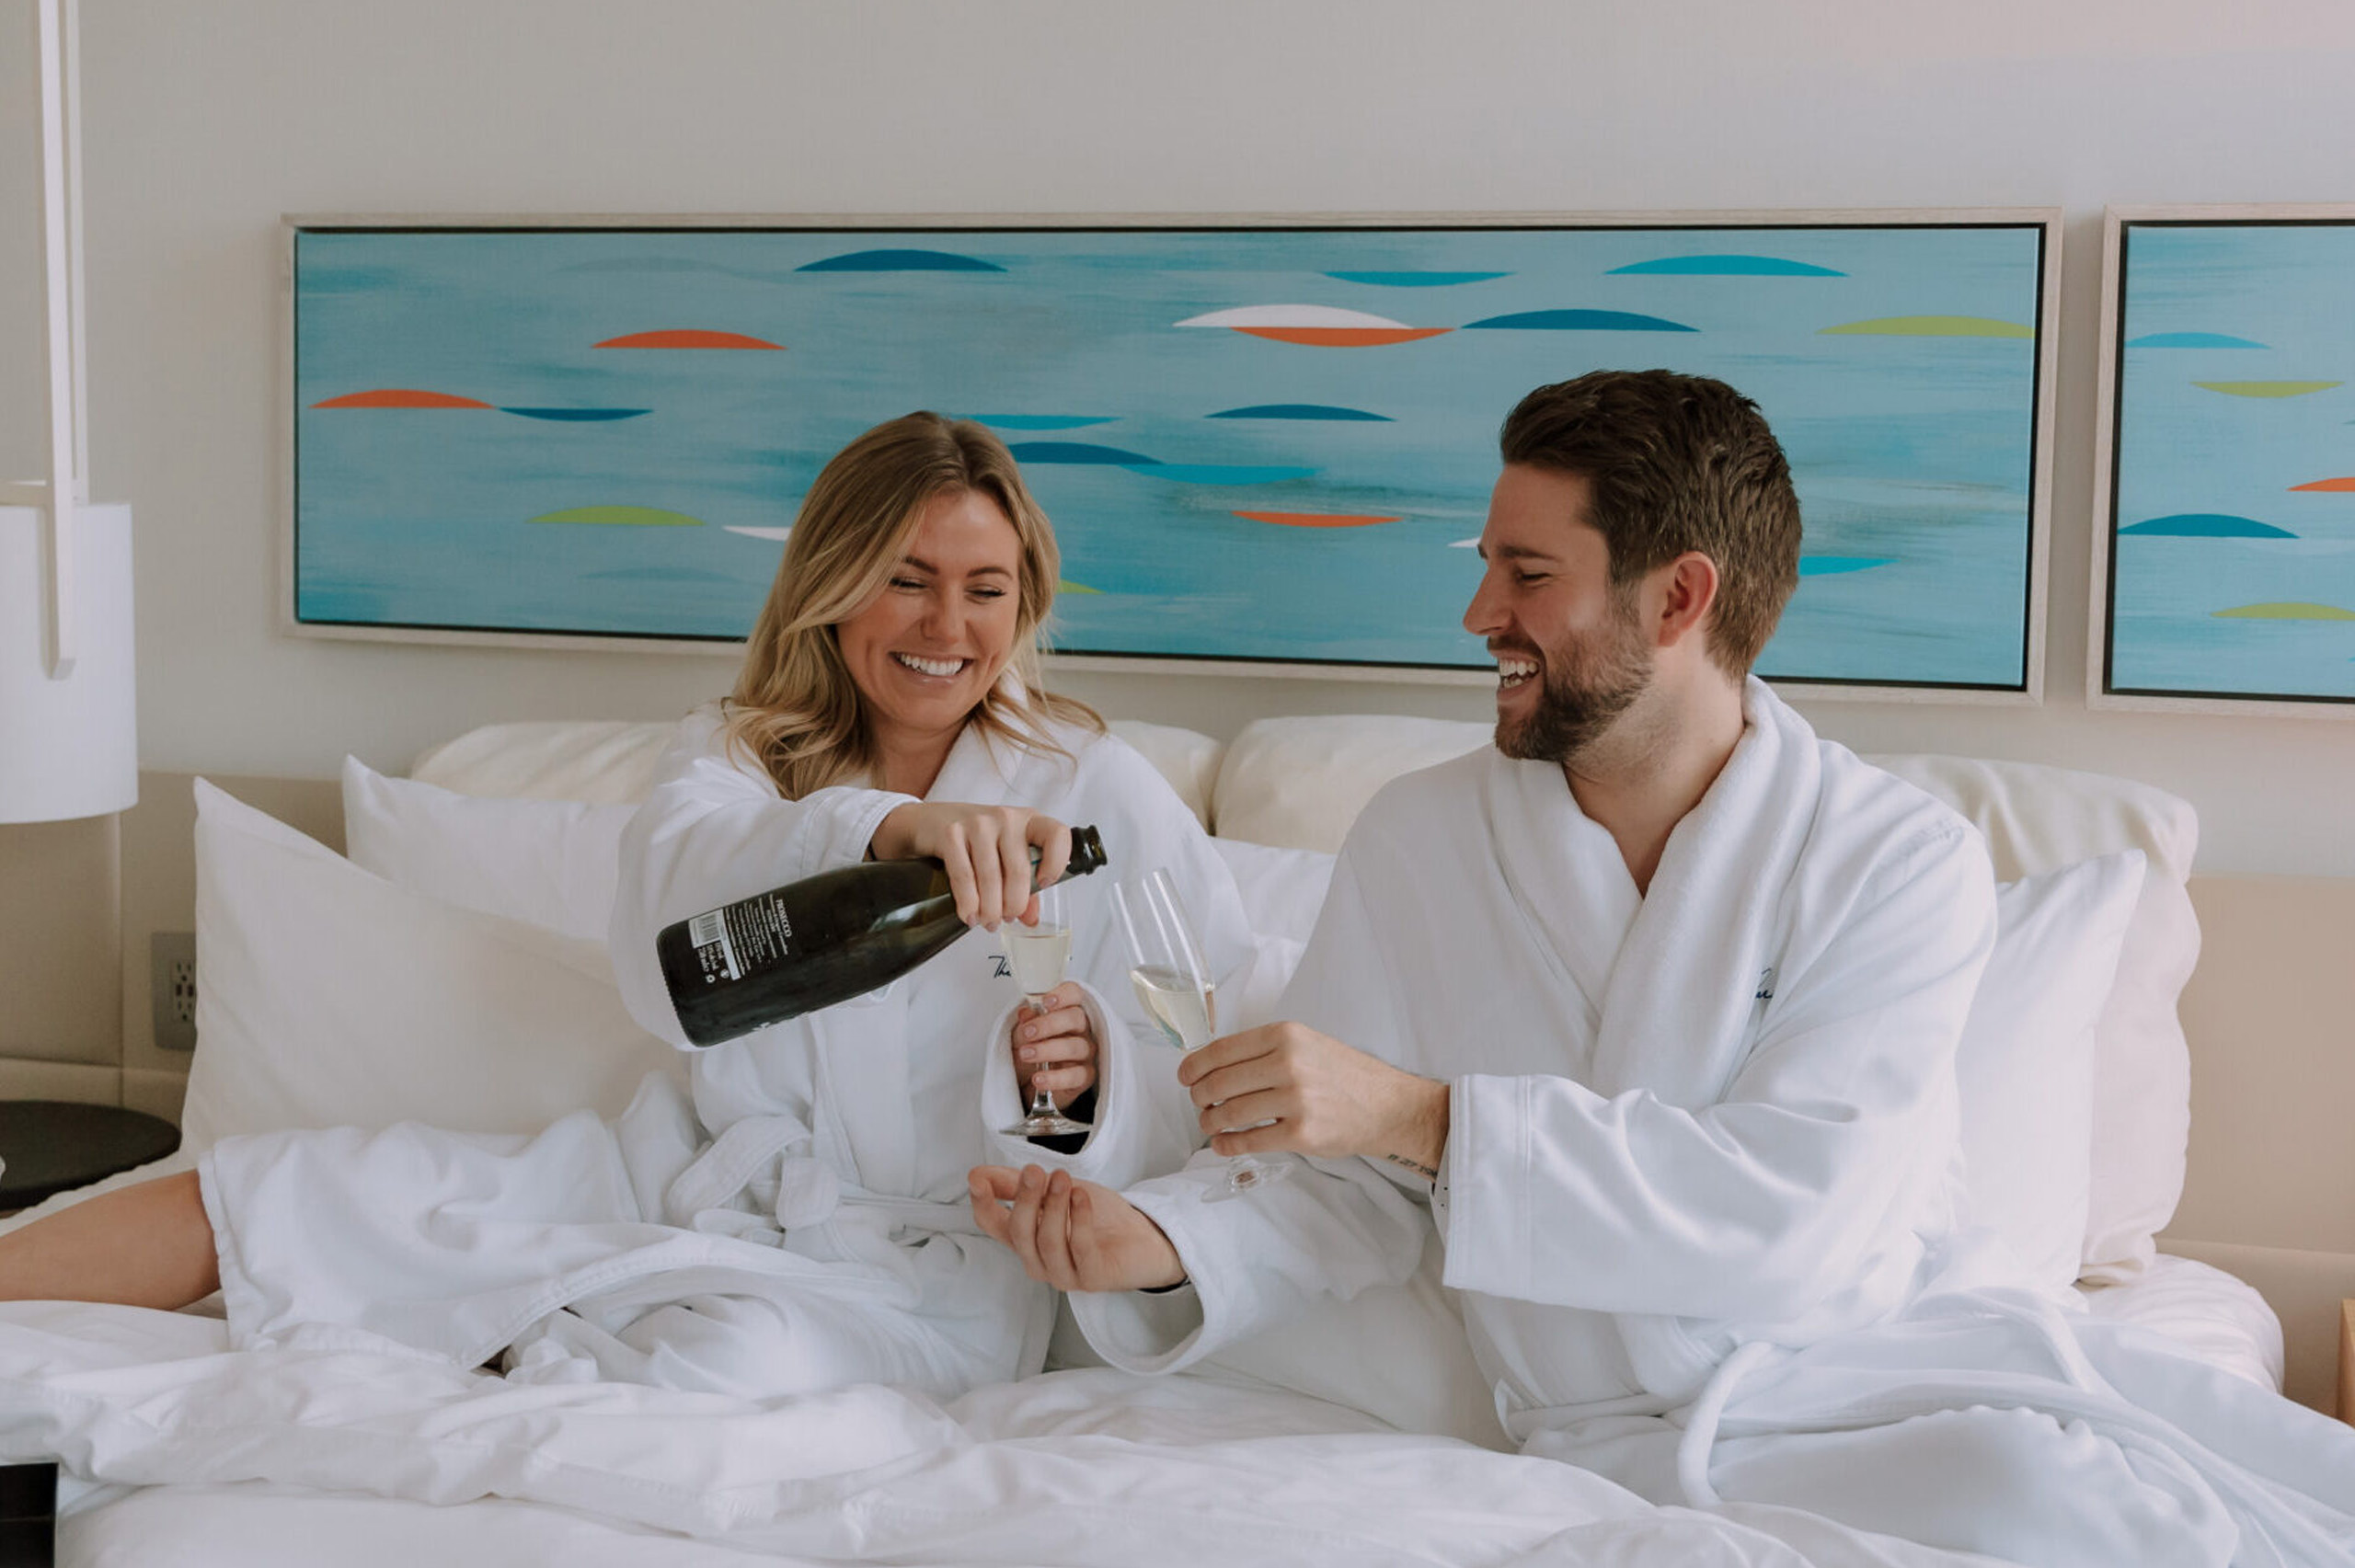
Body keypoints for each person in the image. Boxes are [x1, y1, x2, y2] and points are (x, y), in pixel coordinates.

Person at [971, 372, 2355, 1566]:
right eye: (1486, 563)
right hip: (1597, 1435)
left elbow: (1794, 1212)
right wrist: (1167, 1249)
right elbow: (1347, 1184)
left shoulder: (1894, 860)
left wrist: (1424, 1113)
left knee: (2082, 1502)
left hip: (1867, 1374)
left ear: (1679, 595)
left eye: (1527, 573)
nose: (1477, 611)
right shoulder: (1422, 835)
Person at [0, 412, 1240, 1404]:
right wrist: (880, 829)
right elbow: (671, 952)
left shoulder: (1093, 797)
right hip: (671, 1180)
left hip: (916, 1276)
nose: (947, 626)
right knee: (298, 1187)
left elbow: (1206, 1034)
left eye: (986, 588)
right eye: (906, 579)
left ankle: (470, 1374)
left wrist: (1079, 1099)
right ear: (833, 584)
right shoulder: (737, 759)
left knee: (718, 1372)